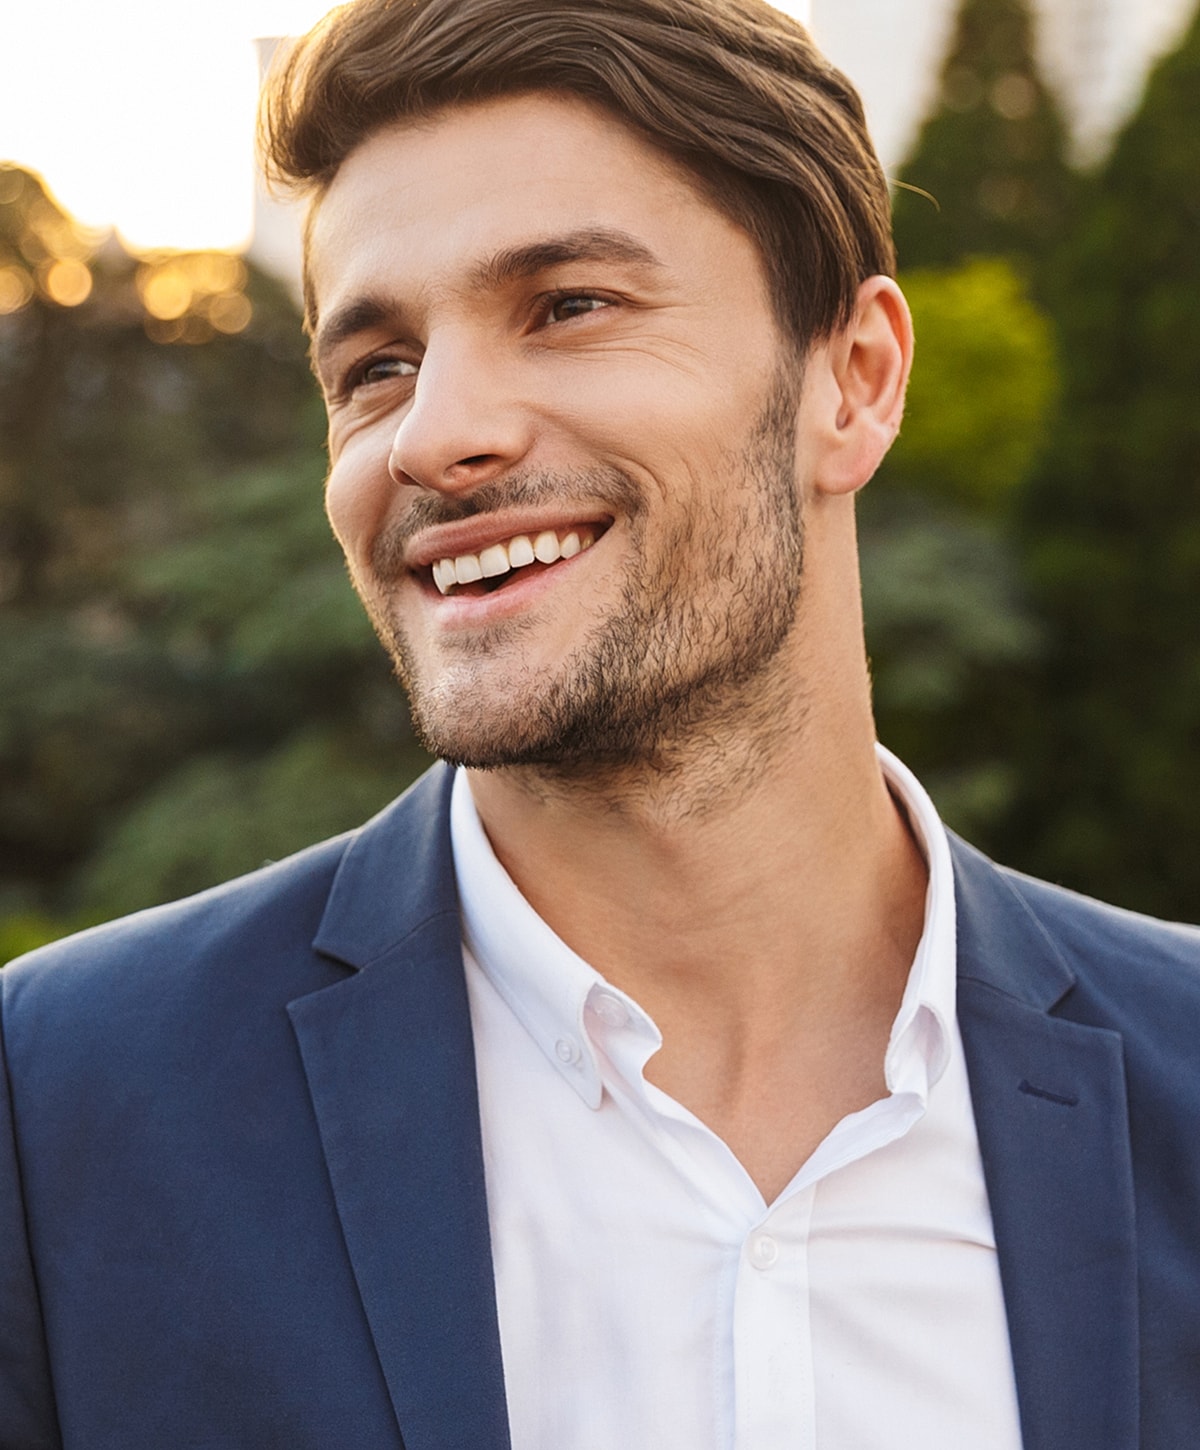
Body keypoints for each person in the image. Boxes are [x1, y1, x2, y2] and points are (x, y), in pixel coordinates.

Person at [2, 0, 1198, 1445]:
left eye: (567, 304)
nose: (436, 432)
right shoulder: (57, 1109)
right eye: (374, 366)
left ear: (857, 379)